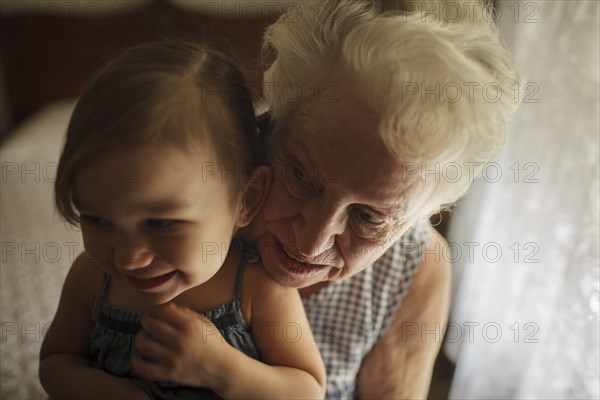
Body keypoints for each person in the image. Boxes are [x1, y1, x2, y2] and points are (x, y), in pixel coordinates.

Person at [249, 0, 521, 398]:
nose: (312, 242)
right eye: (300, 176)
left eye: (368, 218)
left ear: (426, 210)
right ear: (275, 117)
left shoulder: (412, 269)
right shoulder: (190, 178)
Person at [39, 40, 326, 399]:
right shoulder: (90, 278)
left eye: (161, 224)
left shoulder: (257, 286)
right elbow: (56, 362)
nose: (129, 257)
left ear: (246, 199)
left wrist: (224, 369)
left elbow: (308, 390)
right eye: (96, 220)